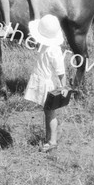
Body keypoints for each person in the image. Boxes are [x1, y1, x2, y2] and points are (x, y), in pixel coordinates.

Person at [23, 14, 67, 152]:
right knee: (47, 111)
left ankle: (52, 141)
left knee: (50, 112)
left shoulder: (54, 50)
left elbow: (61, 71)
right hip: (43, 80)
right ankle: (48, 137)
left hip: (49, 85)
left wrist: (63, 86)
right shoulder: (45, 45)